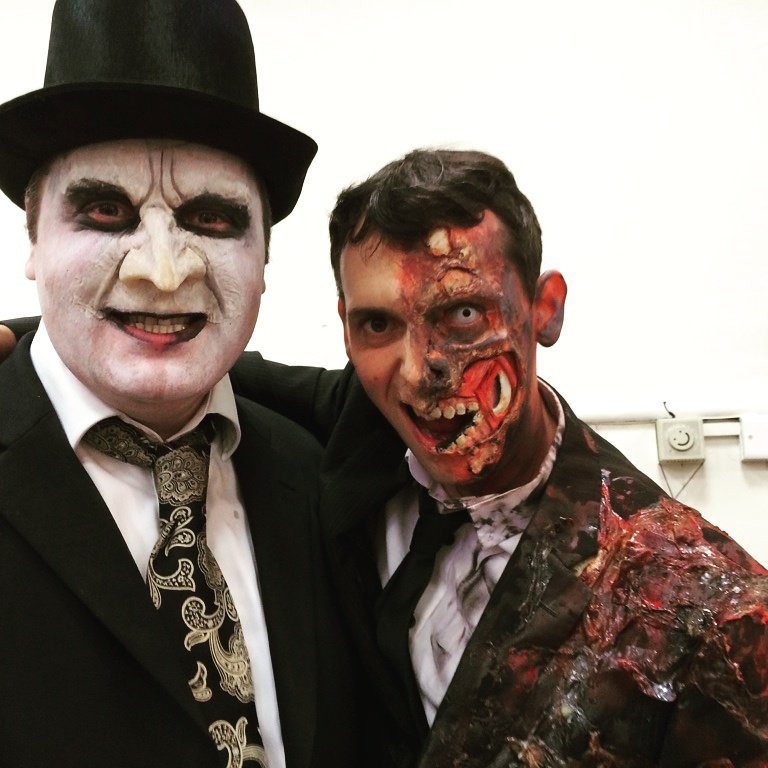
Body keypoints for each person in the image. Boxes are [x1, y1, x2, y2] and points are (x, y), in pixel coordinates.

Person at [218, 149, 768, 767]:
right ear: (346, 325)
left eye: (462, 314)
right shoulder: (364, 422)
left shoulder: (703, 612)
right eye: (378, 324)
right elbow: (215, 367)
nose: (418, 371)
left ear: (545, 308)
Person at [0, 1, 362, 767]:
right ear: (33, 234)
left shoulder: (320, 481)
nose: (163, 273)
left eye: (212, 218)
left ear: (265, 254)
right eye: (106, 209)